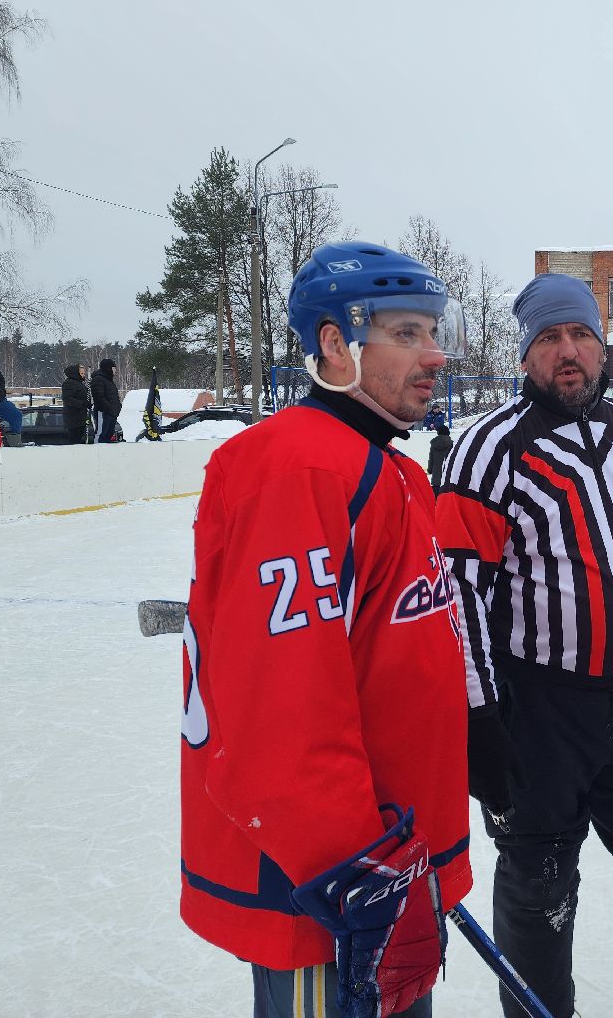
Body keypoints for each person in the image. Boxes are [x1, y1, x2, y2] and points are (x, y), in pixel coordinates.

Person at [180, 241, 472, 1018]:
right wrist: (353, 868)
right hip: (326, 890)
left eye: (432, 332)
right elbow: (281, 711)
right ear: (336, 344)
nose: (435, 354)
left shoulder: (388, 468)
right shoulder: (299, 470)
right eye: (406, 333)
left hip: (387, 868)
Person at [436, 272, 613, 1018]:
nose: (569, 352)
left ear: (601, 346)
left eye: (581, 335)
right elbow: (459, 592)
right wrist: (478, 715)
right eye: (550, 339)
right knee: (540, 884)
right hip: (540, 710)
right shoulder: (487, 449)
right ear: (526, 356)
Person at [90, 358, 122, 443]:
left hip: (111, 413)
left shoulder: (109, 380)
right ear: (108, 368)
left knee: (108, 435)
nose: (115, 370)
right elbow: (99, 397)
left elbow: (114, 397)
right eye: (113, 368)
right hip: (103, 412)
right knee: (101, 434)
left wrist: (118, 407)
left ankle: (105, 453)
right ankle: (97, 453)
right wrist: (109, 408)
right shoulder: (98, 379)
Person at [61, 363, 92, 444]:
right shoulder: (69, 383)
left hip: (80, 418)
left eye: (84, 373)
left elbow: (83, 396)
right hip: (74, 419)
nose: (83, 375)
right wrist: (82, 403)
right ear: (76, 373)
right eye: (81, 373)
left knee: (79, 441)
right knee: (74, 442)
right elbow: (67, 399)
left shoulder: (79, 384)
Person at [426, 422, 452, 492]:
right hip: (449, 478)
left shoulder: (434, 444)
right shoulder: (452, 444)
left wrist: (430, 470)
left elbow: (431, 459)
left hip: (436, 478)